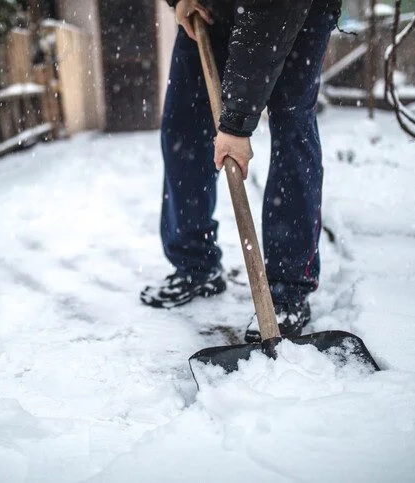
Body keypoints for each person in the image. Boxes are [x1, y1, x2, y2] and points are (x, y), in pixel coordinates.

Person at [140, 0, 340, 342]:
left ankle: (287, 288)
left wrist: (235, 125)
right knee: (183, 126)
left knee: (292, 125)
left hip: (296, 11)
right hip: (208, 8)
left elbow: (270, 13)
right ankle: (195, 263)